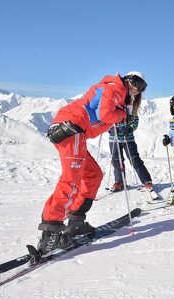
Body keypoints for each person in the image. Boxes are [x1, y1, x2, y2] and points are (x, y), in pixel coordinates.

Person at [37, 72, 147, 256]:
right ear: (126, 79)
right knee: (70, 180)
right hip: (72, 129)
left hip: (74, 132)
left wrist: (122, 115)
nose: (136, 88)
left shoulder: (118, 95)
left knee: (93, 174)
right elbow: (104, 114)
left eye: (141, 86)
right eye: (135, 82)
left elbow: (104, 115)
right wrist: (121, 115)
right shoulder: (115, 87)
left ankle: (76, 221)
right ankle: (51, 232)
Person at [108, 72, 153, 192]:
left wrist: (129, 128)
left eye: (140, 89)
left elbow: (135, 120)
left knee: (134, 160)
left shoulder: (132, 103)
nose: (137, 90)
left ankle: (146, 181)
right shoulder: (116, 98)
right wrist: (110, 128)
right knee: (117, 161)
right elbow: (106, 117)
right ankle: (119, 182)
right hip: (114, 137)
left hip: (128, 138)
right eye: (136, 86)